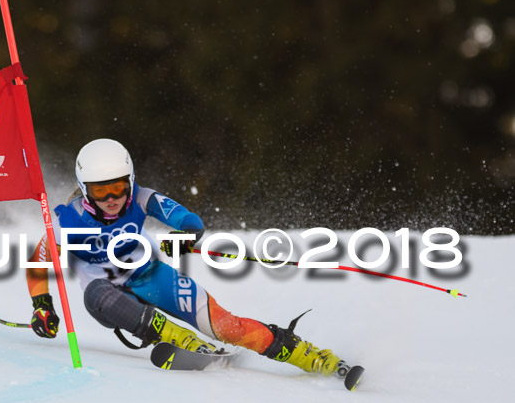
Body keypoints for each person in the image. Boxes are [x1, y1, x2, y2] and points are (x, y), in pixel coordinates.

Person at [26, 138, 354, 379]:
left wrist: (183, 236)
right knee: (95, 292)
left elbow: (189, 220)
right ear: (85, 190)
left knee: (228, 326)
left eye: (118, 187)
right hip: (109, 298)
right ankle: (180, 338)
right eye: (100, 191)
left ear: (131, 180)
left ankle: (313, 358)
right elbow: (35, 264)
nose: (112, 198)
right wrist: (43, 305)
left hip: (149, 276)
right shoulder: (65, 223)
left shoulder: (142, 197)